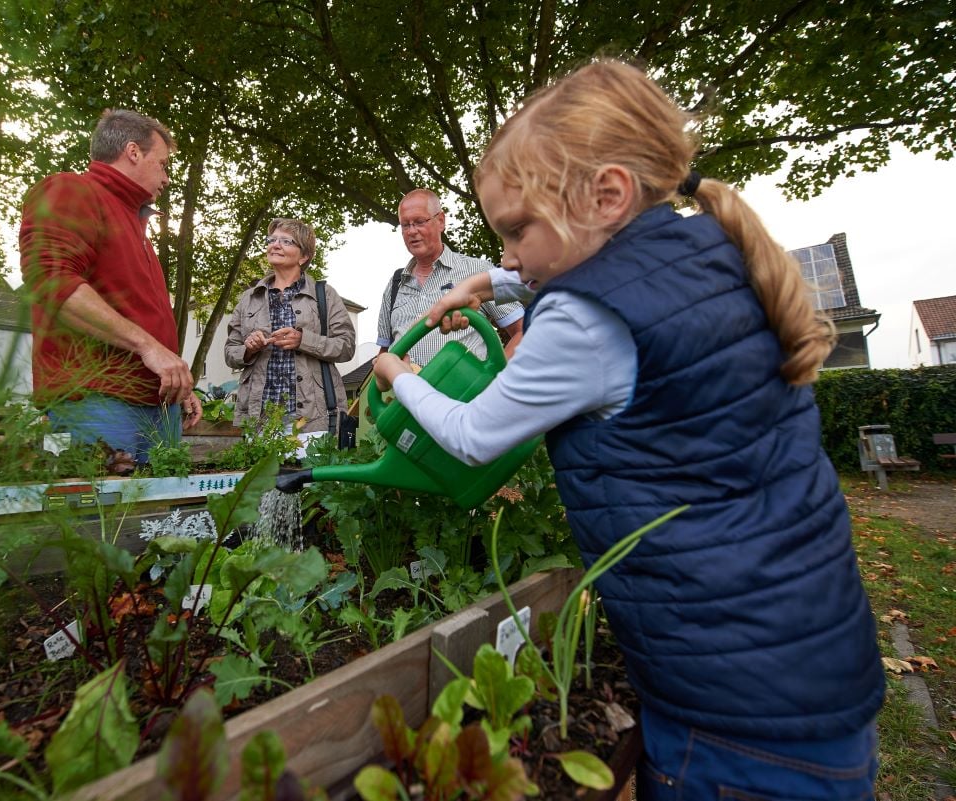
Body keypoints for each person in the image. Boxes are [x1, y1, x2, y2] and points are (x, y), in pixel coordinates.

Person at [374, 60, 883, 799]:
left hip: (723, 709)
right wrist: (485, 282)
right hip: (806, 662)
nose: (509, 253)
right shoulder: (709, 251)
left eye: (517, 229)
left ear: (606, 194)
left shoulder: (584, 321)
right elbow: (599, 268)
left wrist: (398, 374)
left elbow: (476, 434)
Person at [20, 109, 201, 468]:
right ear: (133, 152)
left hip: (158, 408)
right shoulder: (72, 189)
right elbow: (51, 281)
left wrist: (179, 383)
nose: (166, 178)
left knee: (159, 522)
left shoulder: (135, 225)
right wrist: (148, 347)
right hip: (98, 402)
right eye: (163, 164)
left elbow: (139, 313)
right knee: (102, 522)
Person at [224, 218, 356, 452]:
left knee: (308, 486)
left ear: (304, 256)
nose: (275, 245)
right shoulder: (249, 298)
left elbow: (346, 346)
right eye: (272, 240)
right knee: (264, 485)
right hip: (261, 418)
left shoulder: (323, 295)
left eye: (286, 241)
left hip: (311, 418)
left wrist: (302, 340)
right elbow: (230, 352)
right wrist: (248, 348)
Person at [376, 188, 523, 366]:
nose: (411, 231)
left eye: (419, 221)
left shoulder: (477, 271)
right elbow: (385, 352)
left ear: (440, 221)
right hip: (406, 393)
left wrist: (495, 379)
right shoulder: (394, 285)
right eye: (405, 225)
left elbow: (522, 330)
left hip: (466, 392)